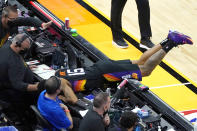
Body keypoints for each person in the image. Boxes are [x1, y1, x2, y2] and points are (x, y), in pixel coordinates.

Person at [56, 30, 193, 92]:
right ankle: (168, 39)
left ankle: (171, 43)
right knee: (139, 61)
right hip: (101, 66)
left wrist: (63, 98)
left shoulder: (61, 86)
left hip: (105, 74)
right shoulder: (58, 74)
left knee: (145, 71)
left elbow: (72, 99)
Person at [0, 33, 78, 105]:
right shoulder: (13, 63)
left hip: (13, 81)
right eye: (24, 50)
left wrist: (25, 67)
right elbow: (18, 85)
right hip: (17, 94)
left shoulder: (7, 46)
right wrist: (37, 87)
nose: (25, 52)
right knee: (56, 85)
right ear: (17, 45)